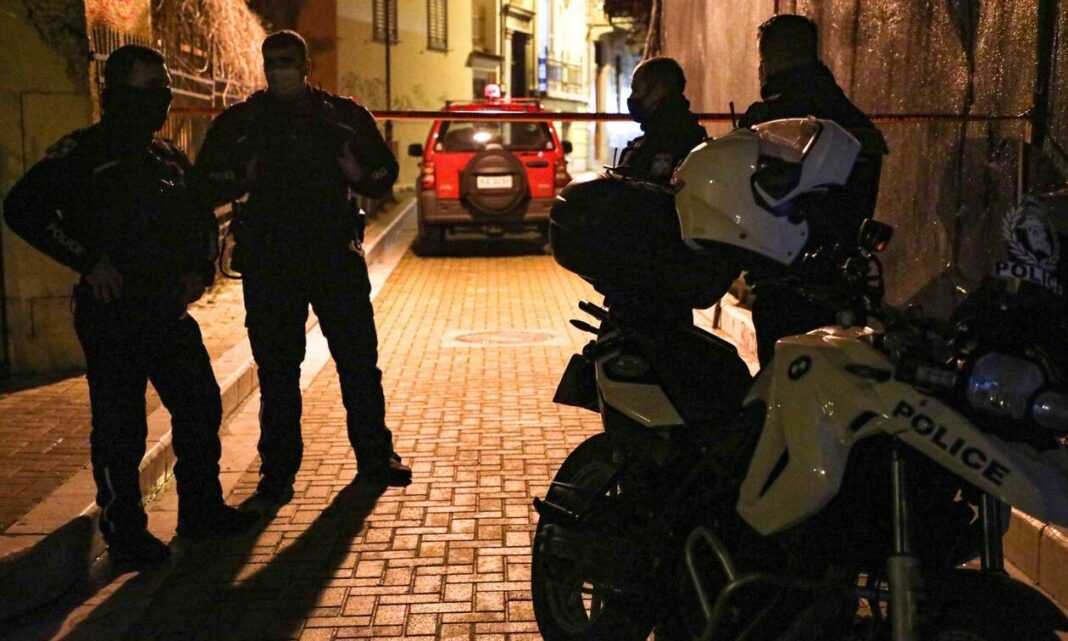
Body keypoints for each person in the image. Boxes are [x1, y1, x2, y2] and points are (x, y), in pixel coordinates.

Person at [3, 45, 257, 563]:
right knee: (121, 425)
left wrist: (199, 270)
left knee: (199, 404)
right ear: (114, 94)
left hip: (166, 308)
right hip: (112, 309)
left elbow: (200, 218)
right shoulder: (82, 154)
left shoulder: (166, 157)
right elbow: (23, 209)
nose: (156, 102)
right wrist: (87, 261)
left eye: (162, 91)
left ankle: (201, 510)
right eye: (144, 91)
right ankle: (124, 530)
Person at [191, 30, 411, 505]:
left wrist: (356, 174)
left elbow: (383, 175)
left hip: (333, 254)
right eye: (272, 62)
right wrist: (242, 177)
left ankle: (375, 456)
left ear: (306, 66)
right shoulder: (244, 122)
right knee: (277, 371)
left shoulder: (341, 116)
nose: (280, 71)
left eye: (288, 61)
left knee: (358, 361)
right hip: (272, 261)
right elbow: (204, 182)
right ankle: (277, 471)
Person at [738, 14, 890, 366]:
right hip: (842, 280)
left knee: (782, 382)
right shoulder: (846, 112)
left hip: (783, 282)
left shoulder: (768, 118)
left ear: (772, 58)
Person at [617, 57, 707, 184]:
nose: (632, 97)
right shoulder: (687, 132)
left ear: (658, 91)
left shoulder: (675, 139)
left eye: (636, 90)